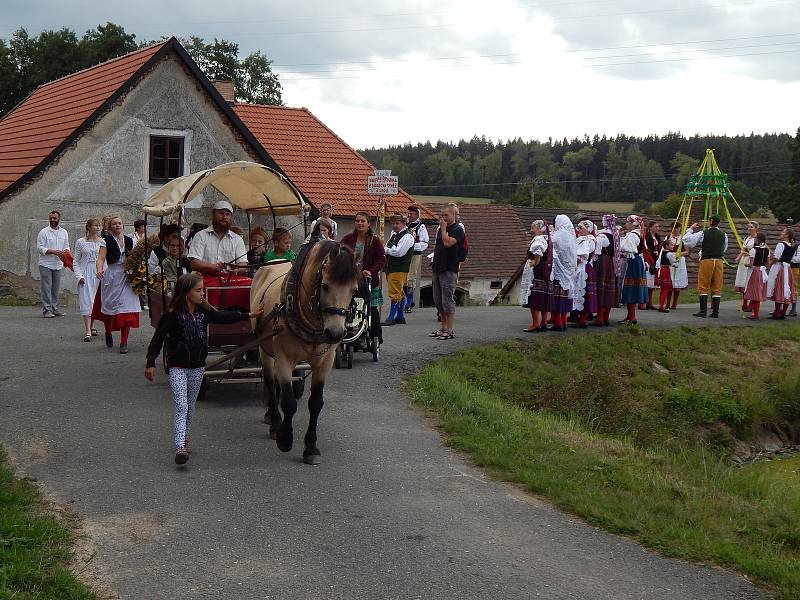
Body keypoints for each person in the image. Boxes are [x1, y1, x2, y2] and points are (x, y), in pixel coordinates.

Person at [145, 272, 262, 465]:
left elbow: (222, 316)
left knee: (190, 405)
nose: (202, 294)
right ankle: (180, 445)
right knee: (181, 405)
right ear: (185, 293)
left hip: (198, 367)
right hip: (178, 367)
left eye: (203, 290)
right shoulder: (172, 315)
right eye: (198, 290)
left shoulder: (203, 312)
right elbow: (158, 339)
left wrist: (249, 314)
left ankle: (185, 436)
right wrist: (150, 362)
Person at [93, 216, 141, 354]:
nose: (117, 225)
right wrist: (99, 269)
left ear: (123, 225)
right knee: (110, 307)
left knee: (127, 308)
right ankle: (108, 332)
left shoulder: (130, 240)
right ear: (110, 226)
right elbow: (101, 258)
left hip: (127, 276)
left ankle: (124, 342)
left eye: (119, 223)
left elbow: (136, 258)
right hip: (112, 276)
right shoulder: (105, 241)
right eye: (114, 224)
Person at [341, 211, 387, 344]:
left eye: (363, 221)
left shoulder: (374, 241)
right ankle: (348, 333)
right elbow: (340, 255)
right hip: (350, 279)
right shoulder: (348, 239)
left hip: (368, 280)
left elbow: (381, 259)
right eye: (357, 221)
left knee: (370, 309)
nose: (360, 223)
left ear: (368, 224)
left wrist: (371, 271)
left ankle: (375, 336)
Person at [682, 214, 728, 318]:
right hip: (719, 261)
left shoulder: (704, 233)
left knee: (703, 285)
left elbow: (688, 241)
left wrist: (690, 229)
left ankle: (703, 311)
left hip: (707, 260)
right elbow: (724, 248)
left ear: (711, 221)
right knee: (717, 286)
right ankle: (715, 312)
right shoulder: (724, 234)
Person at [430, 204, 465, 340]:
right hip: (437, 267)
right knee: (438, 300)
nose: (443, 218)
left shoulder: (458, 229)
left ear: (453, 216)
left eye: (446, 215)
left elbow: (448, 243)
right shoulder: (441, 230)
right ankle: (443, 327)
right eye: (442, 215)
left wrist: (443, 229)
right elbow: (438, 246)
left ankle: (450, 330)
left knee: (447, 300)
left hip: (449, 269)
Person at [187, 201, 248, 274]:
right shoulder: (200, 236)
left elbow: (243, 263)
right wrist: (213, 267)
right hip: (204, 280)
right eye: (221, 213)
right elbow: (194, 264)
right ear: (213, 214)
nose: (224, 217)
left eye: (227, 214)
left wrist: (238, 269)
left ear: (231, 217)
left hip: (229, 281)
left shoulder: (237, 239)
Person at [382, 214, 415, 326]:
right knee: (398, 291)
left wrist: (385, 249)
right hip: (391, 267)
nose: (394, 225)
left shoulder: (407, 236)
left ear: (403, 223)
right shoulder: (395, 235)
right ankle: (400, 316)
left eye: (397, 223)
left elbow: (398, 252)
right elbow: (391, 248)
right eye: (393, 223)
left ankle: (391, 317)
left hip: (399, 268)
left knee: (395, 292)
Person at [36, 210, 70, 318]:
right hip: (45, 264)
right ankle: (47, 310)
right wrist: (53, 251)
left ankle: (54, 308)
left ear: (59, 219)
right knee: (46, 287)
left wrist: (66, 253)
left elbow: (66, 246)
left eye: (54, 218)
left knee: (56, 288)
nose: (52, 220)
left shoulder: (64, 232)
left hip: (58, 264)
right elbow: (40, 248)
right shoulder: (43, 232)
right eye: (50, 218)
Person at [73, 218, 103, 340]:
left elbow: (104, 260)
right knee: (86, 301)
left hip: (97, 274)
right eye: (95, 225)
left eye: (98, 226)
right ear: (89, 227)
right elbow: (76, 261)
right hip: (85, 273)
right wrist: (79, 276)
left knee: (95, 301)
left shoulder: (102, 242)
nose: (97, 228)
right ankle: (88, 331)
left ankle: (92, 325)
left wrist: (102, 272)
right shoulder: (80, 242)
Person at [520, 220, 551, 332]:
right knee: (542, 297)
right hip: (543, 271)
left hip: (537, 271)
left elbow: (538, 251)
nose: (531, 230)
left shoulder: (539, 240)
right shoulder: (546, 239)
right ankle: (543, 323)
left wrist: (535, 262)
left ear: (539, 229)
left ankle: (535, 324)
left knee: (535, 297)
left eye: (533, 228)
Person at [548, 214, 577, 332]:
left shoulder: (558, 235)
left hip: (559, 270)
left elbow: (551, 245)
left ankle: (558, 323)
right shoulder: (570, 236)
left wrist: (549, 233)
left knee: (557, 297)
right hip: (569, 270)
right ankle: (564, 321)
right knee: (565, 297)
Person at [619, 215, 648, 325]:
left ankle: (631, 317)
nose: (626, 224)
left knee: (631, 287)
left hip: (633, 262)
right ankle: (631, 316)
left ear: (633, 224)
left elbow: (629, 249)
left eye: (627, 222)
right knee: (634, 287)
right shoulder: (639, 233)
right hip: (637, 261)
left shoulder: (632, 235)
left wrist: (621, 249)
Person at [593, 214, 620, 327]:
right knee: (608, 289)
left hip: (602, 262)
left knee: (601, 288)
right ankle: (606, 317)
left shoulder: (603, 235)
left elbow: (597, 250)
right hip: (611, 262)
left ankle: (600, 318)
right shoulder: (616, 234)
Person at [766, 227, 797, 320]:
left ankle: (777, 312)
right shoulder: (792, 246)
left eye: (783, 232)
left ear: (787, 235)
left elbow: (776, 258)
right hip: (787, 268)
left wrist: (770, 264)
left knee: (779, 288)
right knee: (786, 289)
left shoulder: (781, 244)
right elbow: (789, 259)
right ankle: (782, 313)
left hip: (780, 268)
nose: (781, 233)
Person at [403, 205, 429, 313]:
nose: (409, 215)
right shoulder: (404, 225)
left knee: (411, 277)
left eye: (411, 214)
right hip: (403, 254)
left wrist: (413, 245)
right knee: (403, 278)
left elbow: (425, 242)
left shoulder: (421, 226)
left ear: (417, 215)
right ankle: (408, 299)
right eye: (408, 213)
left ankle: (408, 302)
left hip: (415, 254)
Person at [572, 219, 597, 328]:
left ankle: (583, 319)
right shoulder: (581, 239)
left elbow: (582, 255)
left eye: (581, 228)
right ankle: (579, 317)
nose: (578, 230)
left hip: (583, 268)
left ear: (587, 229)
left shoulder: (589, 240)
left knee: (584, 292)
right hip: (579, 268)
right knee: (578, 291)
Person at [654, 238, 685, 313]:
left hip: (662, 269)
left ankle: (661, 305)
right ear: (667, 246)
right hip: (666, 270)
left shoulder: (663, 252)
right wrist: (677, 262)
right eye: (671, 245)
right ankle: (661, 306)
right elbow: (673, 262)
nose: (673, 246)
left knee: (663, 289)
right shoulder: (669, 254)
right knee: (665, 289)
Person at [743, 232, 769, 320]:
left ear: (757, 239)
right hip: (762, 272)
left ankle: (755, 313)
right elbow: (767, 264)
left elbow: (751, 264)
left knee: (754, 292)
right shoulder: (767, 250)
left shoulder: (753, 250)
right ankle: (753, 311)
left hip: (755, 271)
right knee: (757, 291)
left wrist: (746, 264)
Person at [734, 222, 759, 312]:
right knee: (743, 282)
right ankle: (744, 304)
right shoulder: (746, 238)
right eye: (748, 227)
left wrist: (747, 253)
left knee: (749, 282)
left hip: (751, 260)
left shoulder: (757, 239)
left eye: (751, 227)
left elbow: (758, 251)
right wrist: (739, 257)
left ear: (756, 228)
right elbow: (743, 249)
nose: (749, 228)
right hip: (743, 261)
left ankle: (751, 304)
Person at [666, 233, 689, 309]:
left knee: (678, 283)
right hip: (670, 259)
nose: (676, 230)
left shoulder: (683, 238)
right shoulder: (668, 237)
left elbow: (687, 251)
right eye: (674, 228)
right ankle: (667, 303)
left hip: (680, 260)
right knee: (670, 282)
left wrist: (679, 254)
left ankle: (674, 303)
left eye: (678, 228)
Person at [643, 220, 661, 310]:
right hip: (649, 260)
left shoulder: (657, 237)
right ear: (651, 227)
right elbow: (646, 250)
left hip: (656, 260)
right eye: (656, 226)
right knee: (647, 282)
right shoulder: (647, 237)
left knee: (652, 284)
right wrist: (650, 261)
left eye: (658, 227)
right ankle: (644, 302)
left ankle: (649, 302)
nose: (658, 228)